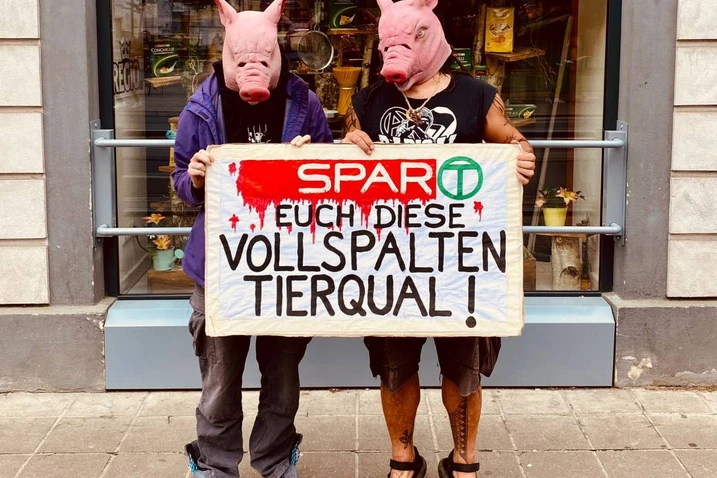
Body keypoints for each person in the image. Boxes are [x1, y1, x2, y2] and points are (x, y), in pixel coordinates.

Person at [342, 0, 536, 477]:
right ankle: (403, 458)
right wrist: (345, 147)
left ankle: (464, 460)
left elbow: (512, 140)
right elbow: (341, 170)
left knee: (463, 368)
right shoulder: (367, 102)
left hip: (459, 265)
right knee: (395, 367)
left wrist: (521, 154)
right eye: (387, 45)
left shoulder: (476, 96)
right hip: (390, 265)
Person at [172, 1, 333, 477]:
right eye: (242, 60)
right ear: (226, 54)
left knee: (282, 373)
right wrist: (195, 178)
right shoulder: (201, 108)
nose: (253, 68)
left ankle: (275, 458)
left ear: (277, 52)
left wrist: (311, 161)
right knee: (220, 379)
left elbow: (331, 174)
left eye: (263, 59)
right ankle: (214, 463)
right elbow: (180, 179)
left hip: (287, 262)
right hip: (221, 267)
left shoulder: (304, 102)